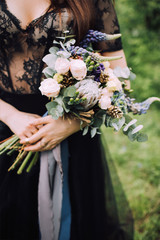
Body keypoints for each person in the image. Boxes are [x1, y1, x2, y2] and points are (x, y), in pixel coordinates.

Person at [0, 0, 133, 239]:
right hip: (5, 127)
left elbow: (119, 74)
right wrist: (11, 116)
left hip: (74, 126)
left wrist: (72, 123)